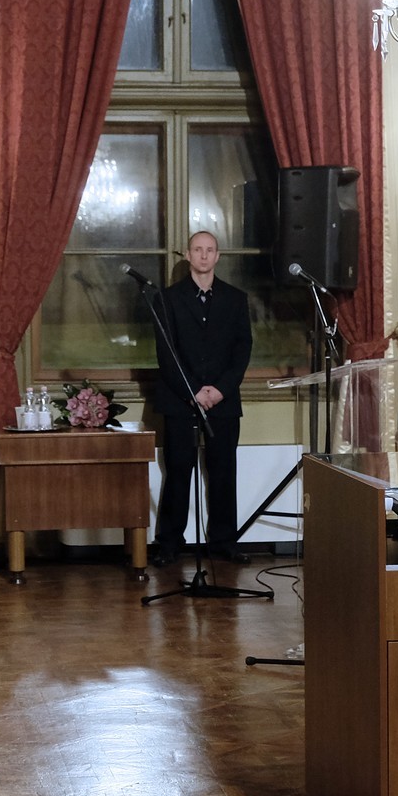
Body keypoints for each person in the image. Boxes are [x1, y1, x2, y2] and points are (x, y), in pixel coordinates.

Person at [152, 230, 253, 565]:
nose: (204, 255)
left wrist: (220, 389)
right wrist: (193, 391)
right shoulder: (167, 299)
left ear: (218, 256)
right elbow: (167, 354)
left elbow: (242, 349)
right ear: (188, 255)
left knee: (224, 472)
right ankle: (169, 543)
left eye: (210, 250)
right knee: (178, 472)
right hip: (180, 399)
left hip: (224, 400)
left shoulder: (236, 299)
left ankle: (224, 541)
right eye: (198, 249)